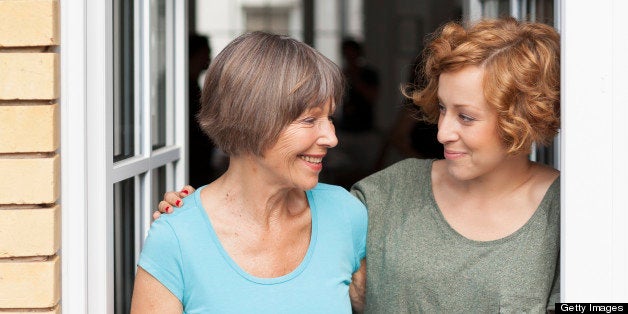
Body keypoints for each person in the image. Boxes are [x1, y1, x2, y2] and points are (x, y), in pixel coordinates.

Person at [158, 17, 561, 313]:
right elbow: (282, 246)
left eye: (466, 117)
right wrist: (194, 213)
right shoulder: (382, 197)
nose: (440, 133)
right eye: (441, 109)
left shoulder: (569, 212)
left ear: (522, 118)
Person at [131, 31, 367, 313]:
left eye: (329, 118)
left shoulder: (344, 213)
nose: (331, 137)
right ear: (250, 121)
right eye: (310, 120)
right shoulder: (176, 238)